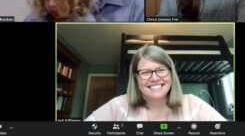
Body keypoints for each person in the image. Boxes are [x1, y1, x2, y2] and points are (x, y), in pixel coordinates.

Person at [85, 44, 226, 121]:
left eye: (161, 70)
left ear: (171, 73)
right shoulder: (120, 105)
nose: (155, 78)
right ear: (136, 77)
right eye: (146, 72)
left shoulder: (193, 104)